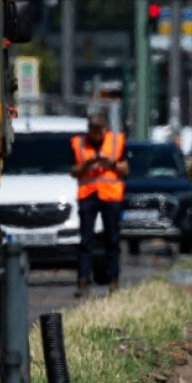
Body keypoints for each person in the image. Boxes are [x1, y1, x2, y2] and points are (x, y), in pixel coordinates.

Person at [70, 113, 128, 297]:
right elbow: (73, 171)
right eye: (93, 130)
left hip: (111, 196)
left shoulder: (116, 142)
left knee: (112, 239)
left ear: (105, 129)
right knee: (86, 241)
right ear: (89, 129)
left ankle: (113, 280)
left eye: (99, 129)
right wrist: (86, 165)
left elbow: (125, 169)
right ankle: (83, 281)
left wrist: (111, 164)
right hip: (88, 196)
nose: (96, 133)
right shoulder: (78, 144)